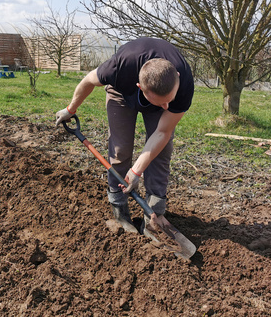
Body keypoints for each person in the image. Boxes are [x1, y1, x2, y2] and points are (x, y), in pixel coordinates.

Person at [56, 37, 194, 236]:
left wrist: (136, 172)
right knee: (120, 150)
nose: (165, 108)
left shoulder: (184, 86)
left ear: (178, 78)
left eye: (168, 101)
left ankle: (154, 214)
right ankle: (119, 209)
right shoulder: (120, 67)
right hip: (121, 93)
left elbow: (162, 133)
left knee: (161, 151)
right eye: (160, 102)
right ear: (140, 87)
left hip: (160, 90)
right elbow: (88, 80)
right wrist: (71, 109)